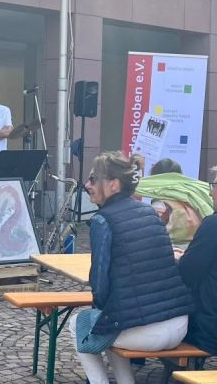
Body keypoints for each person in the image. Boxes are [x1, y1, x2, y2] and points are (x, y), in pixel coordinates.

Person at [69, 151, 192, 384]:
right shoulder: (149, 212)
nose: (87, 185)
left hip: (147, 333)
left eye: (94, 179)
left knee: (80, 324)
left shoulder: (103, 220)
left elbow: (99, 283)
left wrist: (102, 309)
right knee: (108, 322)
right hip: (179, 325)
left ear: (113, 185)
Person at [177, 166, 217, 355]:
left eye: (213, 186)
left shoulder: (213, 225)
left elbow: (188, 273)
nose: (210, 192)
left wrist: (180, 259)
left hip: (209, 329)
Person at [135, 157, 213, 251]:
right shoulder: (197, 197)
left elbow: (149, 234)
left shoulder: (161, 205)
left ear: (154, 178)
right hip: (198, 249)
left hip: (170, 253)